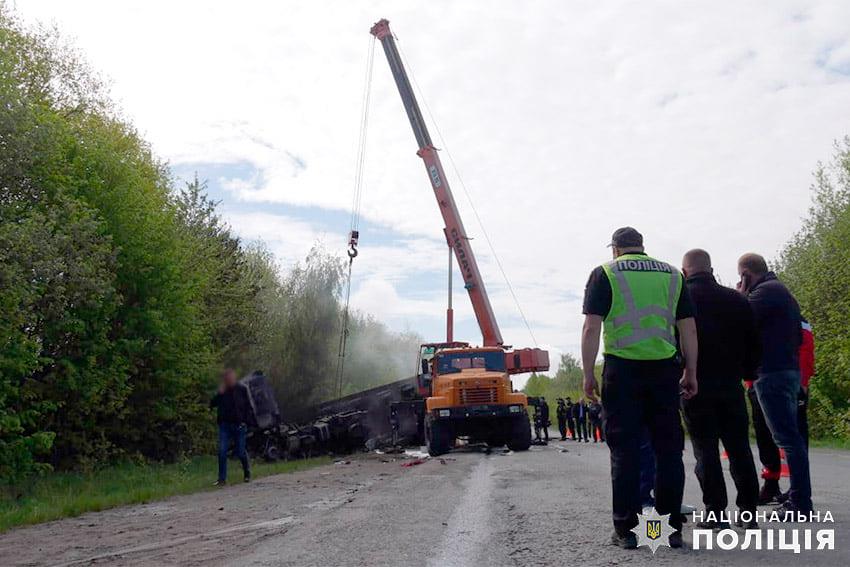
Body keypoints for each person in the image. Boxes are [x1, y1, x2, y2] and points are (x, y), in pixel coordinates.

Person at [582, 227, 697, 549]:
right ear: (642, 246)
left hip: (622, 370)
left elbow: (592, 326)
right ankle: (669, 530)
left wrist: (588, 374)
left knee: (625, 452)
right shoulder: (673, 275)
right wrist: (691, 371)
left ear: (616, 249)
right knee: (669, 451)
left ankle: (628, 531)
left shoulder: (605, 272)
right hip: (664, 370)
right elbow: (688, 328)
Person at [680, 249, 760, 529]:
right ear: (711, 270)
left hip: (695, 385)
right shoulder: (737, 300)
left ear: (684, 272)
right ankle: (748, 513)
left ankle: (715, 514)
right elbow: (753, 344)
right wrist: (747, 374)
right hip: (731, 385)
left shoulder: (680, 301)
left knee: (706, 452)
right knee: (740, 449)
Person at [738, 253, 812, 515]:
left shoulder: (764, 293)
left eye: (741, 276)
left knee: (788, 440)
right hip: (787, 369)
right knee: (791, 437)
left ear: (746, 273)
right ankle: (798, 497)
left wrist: (743, 294)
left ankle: (801, 504)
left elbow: (740, 319)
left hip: (772, 372)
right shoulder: (781, 292)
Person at [747, 318, 815, 504]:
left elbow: (806, 348)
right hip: (758, 381)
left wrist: (803, 382)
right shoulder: (756, 312)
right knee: (764, 434)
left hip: (789, 383)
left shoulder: (795, 318)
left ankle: (797, 488)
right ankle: (771, 481)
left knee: (795, 436)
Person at [210, 368, 252, 485]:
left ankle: (247, 472)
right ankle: (222, 478)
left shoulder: (241, 389)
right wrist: (219, 394)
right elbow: (212, 404)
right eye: (227, 378)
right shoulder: (223, 391)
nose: (229, 380)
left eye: (231, 378)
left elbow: (248, 407)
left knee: (240, 451)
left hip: (239, 425)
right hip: (225, 425)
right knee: (222, 451)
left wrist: (245, 421)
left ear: (234, 378)